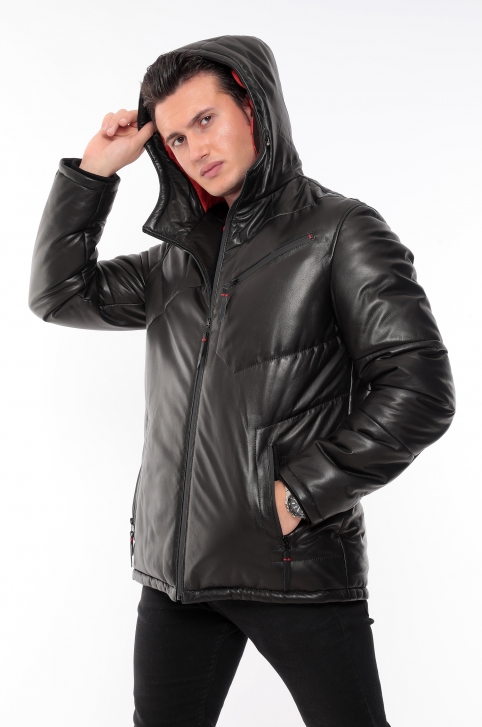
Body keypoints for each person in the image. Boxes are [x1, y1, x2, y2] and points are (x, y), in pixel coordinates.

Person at [28, 34, 455, 727]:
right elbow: (58, 294)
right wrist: (94, 173)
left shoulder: (341, 232)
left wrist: (300, 494)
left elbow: (421, 388)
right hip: (177, 575)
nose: (195, 148)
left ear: (252, 108)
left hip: (293, 563)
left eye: (206, 119)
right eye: (175, 138)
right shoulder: (175, 260)